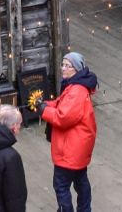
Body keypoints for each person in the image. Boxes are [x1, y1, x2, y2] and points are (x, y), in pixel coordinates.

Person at [40, 51, 97, 212]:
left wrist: (44, 111)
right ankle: (85, 209)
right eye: (62, 64)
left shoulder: (76, 91)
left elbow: (63, 117)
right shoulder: (76, 85)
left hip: (70, 149)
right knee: (80, 181)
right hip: (79, 147)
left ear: (76, 69)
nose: (63, 68)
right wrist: (45, 104)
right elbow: (61, 104)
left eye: (67, 65)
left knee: (61, 185)